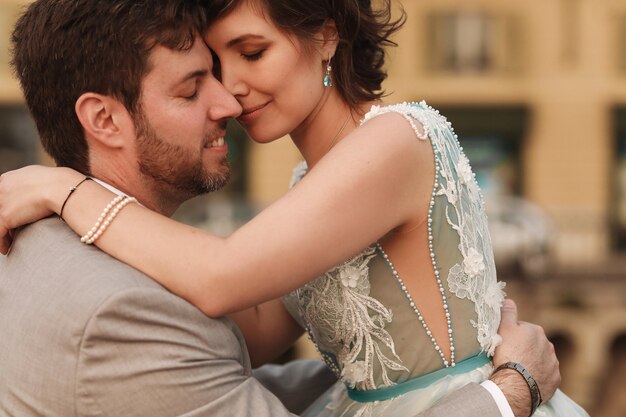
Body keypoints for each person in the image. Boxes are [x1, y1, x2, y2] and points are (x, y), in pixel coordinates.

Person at [0, 0, 583, 417]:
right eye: (217, 69)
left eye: (253, 52)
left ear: (326, 37)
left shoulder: (395, 141)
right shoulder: (313, 180)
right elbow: (239, 335)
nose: (232, 93)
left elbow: (221, 279)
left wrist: (64, 191)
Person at [0, 1, 338, 415]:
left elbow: (210, 380)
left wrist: (390, 380)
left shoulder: (41, 245)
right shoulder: (121, 313)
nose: (229, 105)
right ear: (104, 119)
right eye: (191, 89)